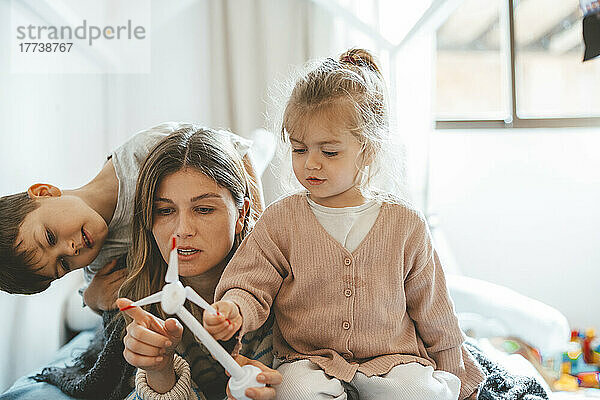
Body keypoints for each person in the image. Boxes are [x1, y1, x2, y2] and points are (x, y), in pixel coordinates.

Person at [204, 49, 485, 400]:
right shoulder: (280, 220)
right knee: (295, 393)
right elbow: (250, 282)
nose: (312, 164)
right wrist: (234, 309)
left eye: (329, 152)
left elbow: (435, 311)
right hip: (306, 360)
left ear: (367, 148)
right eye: (299, 149)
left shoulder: (405, 224)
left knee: (419, 391)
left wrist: (458, 377)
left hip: (393, 361)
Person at [0, 121, 261, 313]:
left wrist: (257, 231)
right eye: (64, 265)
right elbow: (102, 302)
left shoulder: (142, 152)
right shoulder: (100, 263)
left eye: (49, 236)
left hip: (228, 169)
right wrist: (91, 298)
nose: (71, 249)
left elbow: (237, 149)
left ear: (44, 192)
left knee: (257, 152)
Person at [116, 126, 280, 399]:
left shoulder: (282, 291)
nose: (182, 230)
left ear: (242, 214)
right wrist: (159, 373)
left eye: (204, 209)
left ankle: (261, 145)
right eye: (165, 210)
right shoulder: (146, 308)